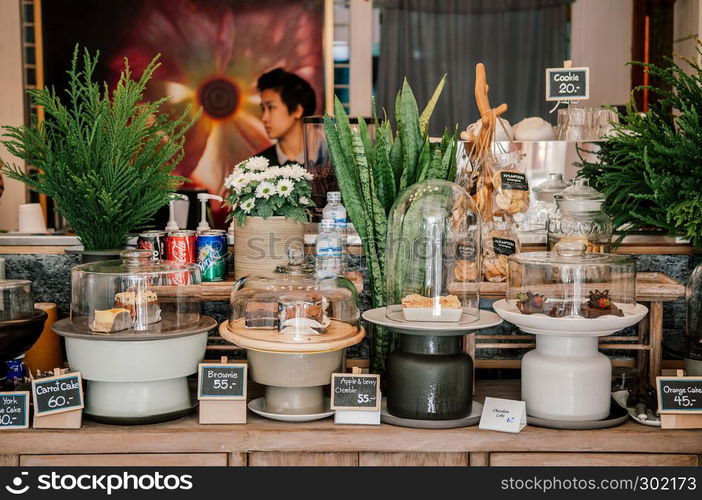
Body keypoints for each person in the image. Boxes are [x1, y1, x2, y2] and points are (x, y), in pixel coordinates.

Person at [254, 68, 316, 166]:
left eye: (271, 107)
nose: (264, 118)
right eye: (263, 109)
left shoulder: (327, 160)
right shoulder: (256, 167)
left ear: (297, 110)